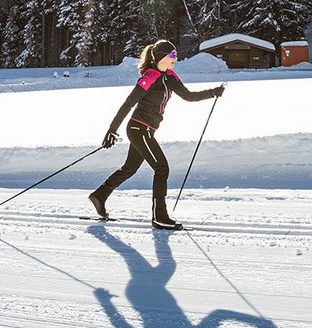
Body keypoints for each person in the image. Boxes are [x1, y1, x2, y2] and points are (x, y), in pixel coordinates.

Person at [89, 39, 224, 230]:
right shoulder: (150, 77)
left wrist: (213, 92)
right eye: (172, 55)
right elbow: (128, 104)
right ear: (160, 57)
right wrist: (112, 130)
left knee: (129, 168)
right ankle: (159, 217)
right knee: (162, 168)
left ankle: (99, 195)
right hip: (138, 129)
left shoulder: (171, 77)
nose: (175, 58)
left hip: (146, 131)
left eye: (175, 55)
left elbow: (189, 96)